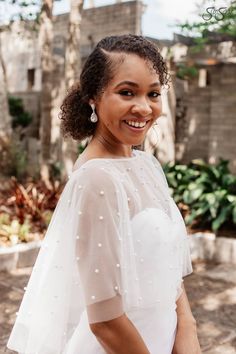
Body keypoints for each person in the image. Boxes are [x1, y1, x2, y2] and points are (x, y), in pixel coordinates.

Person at [7, 34, 202, 354]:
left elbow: (167, 269)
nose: (143, 107)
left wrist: (187, 326)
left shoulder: (147, 164)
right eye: (127, 92)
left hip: (164, 337)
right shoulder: (97, 180)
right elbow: (105, 321)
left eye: (153, 93)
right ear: (93, 99)